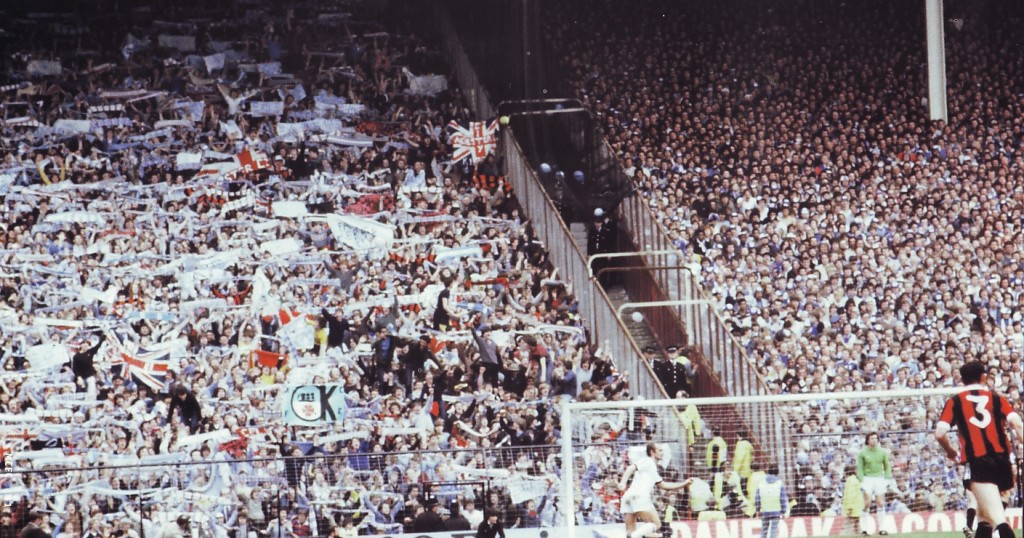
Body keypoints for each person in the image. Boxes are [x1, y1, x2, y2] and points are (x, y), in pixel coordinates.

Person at [935, 361, 1024, 538]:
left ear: (962, 380)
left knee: (998, 520)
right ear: (983, 377)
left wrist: (950, 451)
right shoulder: (998, 399)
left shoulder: (955, 401)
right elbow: (1017, 424)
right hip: (1003, 460)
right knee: (984, 517)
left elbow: (940, 433)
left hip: (979, 461)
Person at [618, 443, 693, 538]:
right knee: (656, 525)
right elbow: (631, 468)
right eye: (660, 450)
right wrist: (623, 482)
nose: (662, 453)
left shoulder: (652, 468)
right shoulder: (648, 461)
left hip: (628, 496)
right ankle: (636, 536)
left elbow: (663, 485)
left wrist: (684, 484)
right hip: (640, 496)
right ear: (652, 452)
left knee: (630, 530)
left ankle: (635, 535)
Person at [856, 432, 891, 535]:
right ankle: (864, 529)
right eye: (872, 438)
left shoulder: (883, 452)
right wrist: (861, 480)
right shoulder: (862, 453)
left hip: (879, 478)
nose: (874, 440)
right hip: (867, 479)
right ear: (868, 440)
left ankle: (882, 528)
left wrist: (887, 479)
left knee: (880, 503)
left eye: (876, 438)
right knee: (867, 504)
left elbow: (887, 466)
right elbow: (860, 468)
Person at [754, 464, 787, 538]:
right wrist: (784, 511)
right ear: (777, 472)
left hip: (765, 511)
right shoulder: (779, 483)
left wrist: (757, 510)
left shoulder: (761, 483)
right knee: (774, 530)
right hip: (776, 511)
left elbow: (757, 498)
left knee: (764, 530)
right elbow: (783, 499)